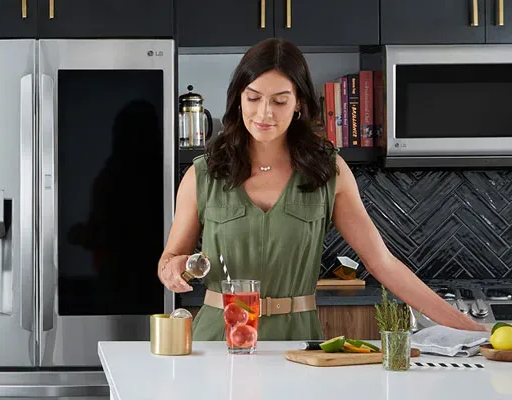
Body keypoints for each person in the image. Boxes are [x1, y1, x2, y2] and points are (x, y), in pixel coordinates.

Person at [157, 38, 489, 341]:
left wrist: (468, 328)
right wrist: (172, 269)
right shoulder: (204, 173)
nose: (264, 113)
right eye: (253, 98)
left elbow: (382, 263)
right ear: (238, 98)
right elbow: (169, 259)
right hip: (218, 339)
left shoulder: (329, 171)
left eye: (280, 101)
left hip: (298, 341)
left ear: (299, 103)